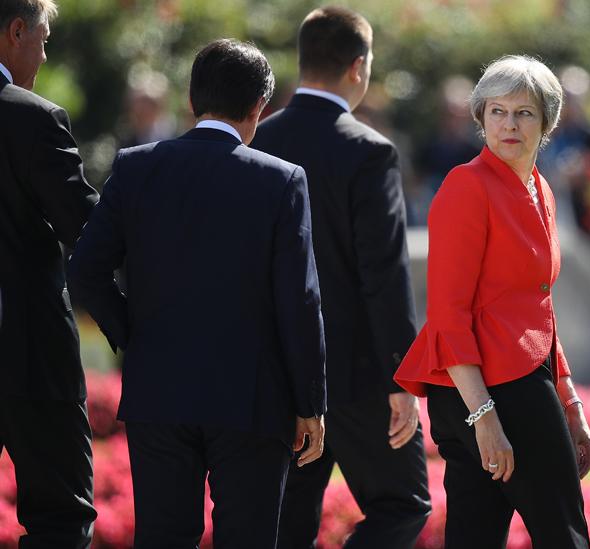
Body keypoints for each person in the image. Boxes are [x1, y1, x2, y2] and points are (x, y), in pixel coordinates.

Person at [67, 39, 327, 548]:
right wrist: (310, 403)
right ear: (260, 108)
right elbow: (300, 301)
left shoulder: (137, 168)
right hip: (253, 398)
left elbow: (85, 270)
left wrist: (132, 333)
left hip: (159, 391)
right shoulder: (281, 180)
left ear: (191, 100)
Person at [395, 54, 590, 549]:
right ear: (480, 117)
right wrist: (484, 419)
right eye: (497, 111)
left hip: (510, 382)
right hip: (490, 390)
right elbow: (447, 313)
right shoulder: (467, 185)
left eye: (524, 112)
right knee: (565, 535)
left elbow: (537, 308)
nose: (509, 123)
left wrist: (570, 400)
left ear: (547, 123)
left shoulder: (541, 190)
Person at [251, 7, 431, 547]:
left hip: (272, 366)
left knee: (287, 523)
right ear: (359, 67)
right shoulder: (368, 152)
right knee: (402, 505)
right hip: (354, 372)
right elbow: (383, 273)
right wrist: (403, 373)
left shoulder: (256, 140)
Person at [0, 0, 98, 546]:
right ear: (16, 31)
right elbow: (88, 230)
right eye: (42, 38)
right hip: (29, 356)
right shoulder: (34, 116)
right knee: (61, 519)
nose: (43, 50)